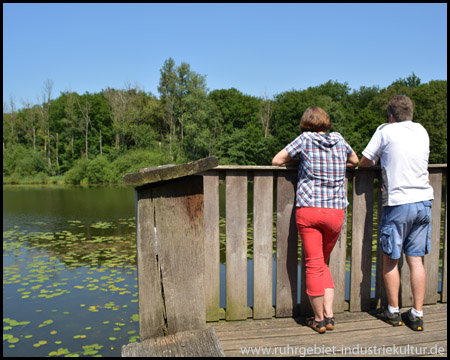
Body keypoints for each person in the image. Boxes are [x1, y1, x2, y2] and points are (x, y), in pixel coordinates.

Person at [272, 106, 359, 333]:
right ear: (326, 122)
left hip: (310, 210)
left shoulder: (305, 139)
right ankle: (329, 317)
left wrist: (299, 163)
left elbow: (276, 161)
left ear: (306, 123)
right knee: (322, 263)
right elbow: (355, 161)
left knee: (313, 265)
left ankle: (318, 319)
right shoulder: (340, 140)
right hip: (335, 212)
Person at [360, 95, 434, 331]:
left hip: (398, 203)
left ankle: (392, 311)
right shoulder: (422, 130)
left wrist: (380, 160)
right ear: (411, 113)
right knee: (416, 260)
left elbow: (364, 161)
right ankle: (417, 314)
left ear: (391, 116)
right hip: (424, 201)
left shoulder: (385, 131)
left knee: (391, 259)